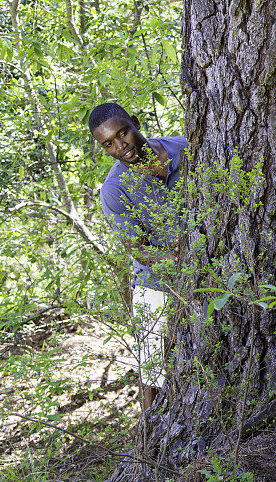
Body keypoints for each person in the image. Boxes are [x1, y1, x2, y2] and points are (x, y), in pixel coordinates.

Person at [89, 103, 188, 411]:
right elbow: (138, 249)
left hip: (207, 267)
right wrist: (178, 262)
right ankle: (149, 437)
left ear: (134, 123)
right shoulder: (114, 189)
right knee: (153, 367)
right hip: (155, 280)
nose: (120, 146)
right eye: (109, 144)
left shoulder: (183, 147)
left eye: (123, 133)